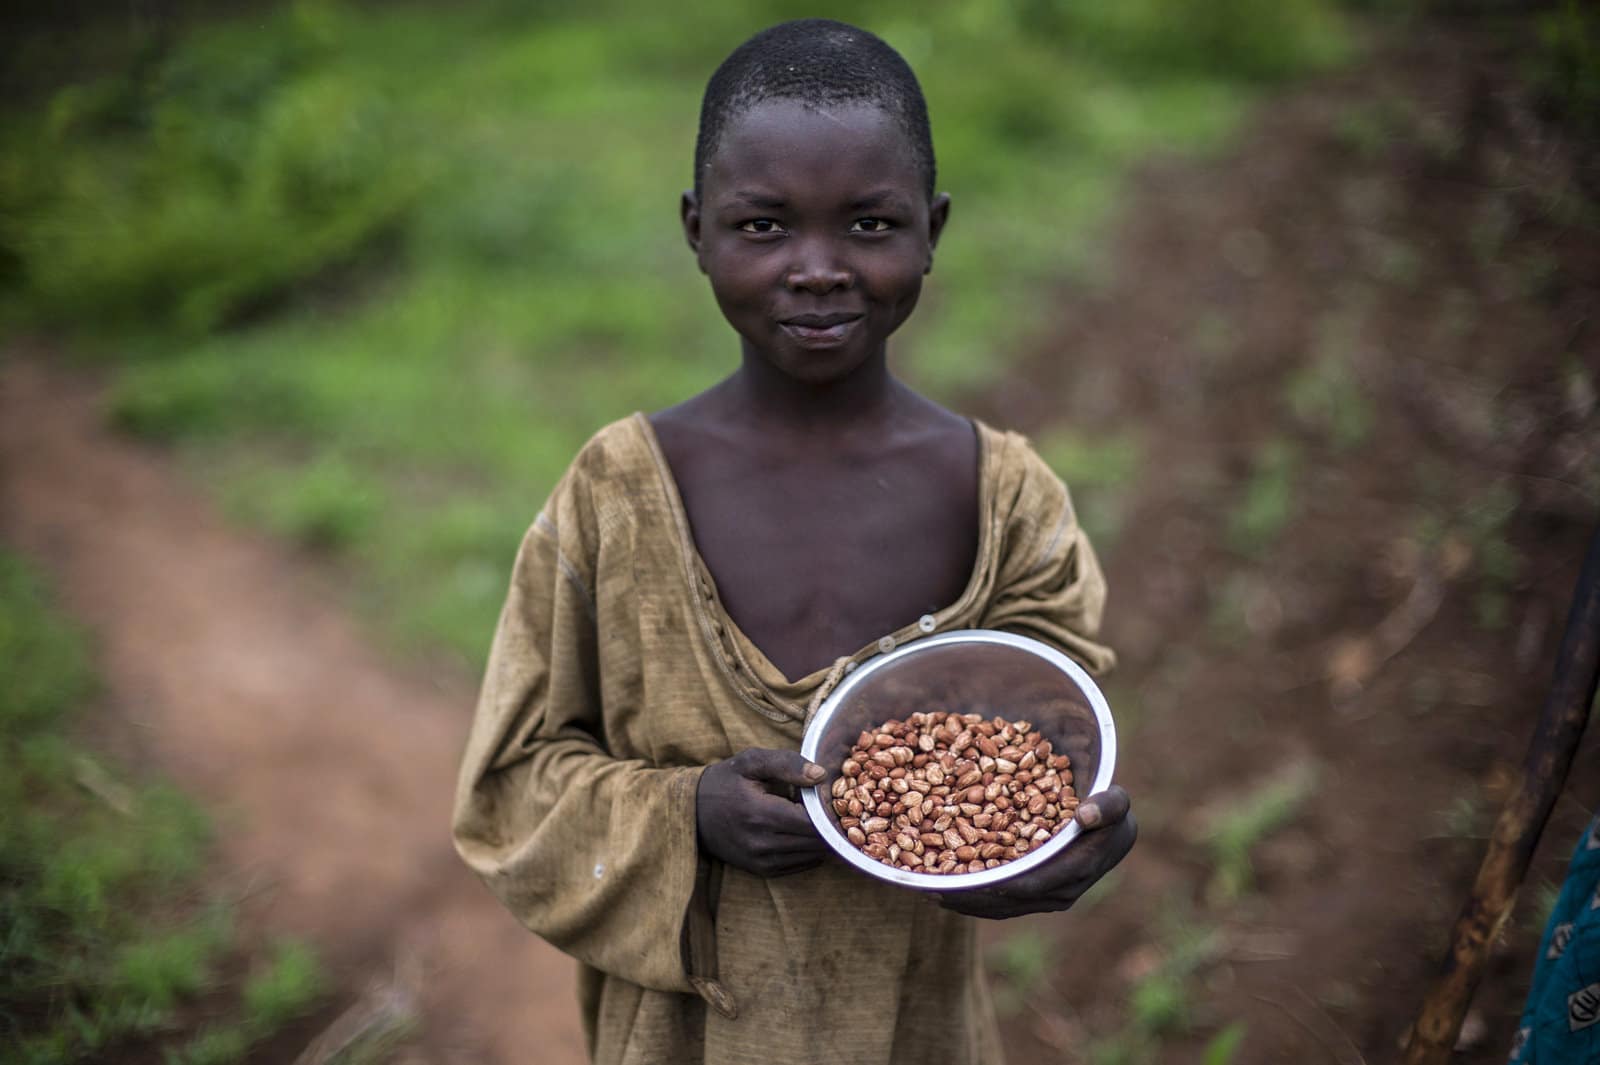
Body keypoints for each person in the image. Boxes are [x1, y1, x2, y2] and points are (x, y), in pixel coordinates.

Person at [451, 18, 1136, 1065]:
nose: (817, 269)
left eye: (868, 225)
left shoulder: (1006, 502)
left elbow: (1053, 749)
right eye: (764, 227)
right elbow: (508, 790)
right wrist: (688, 816)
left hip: (919, 1033)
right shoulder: (614, 497)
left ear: (932, 228)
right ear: (695, 230)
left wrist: (1069, 840)